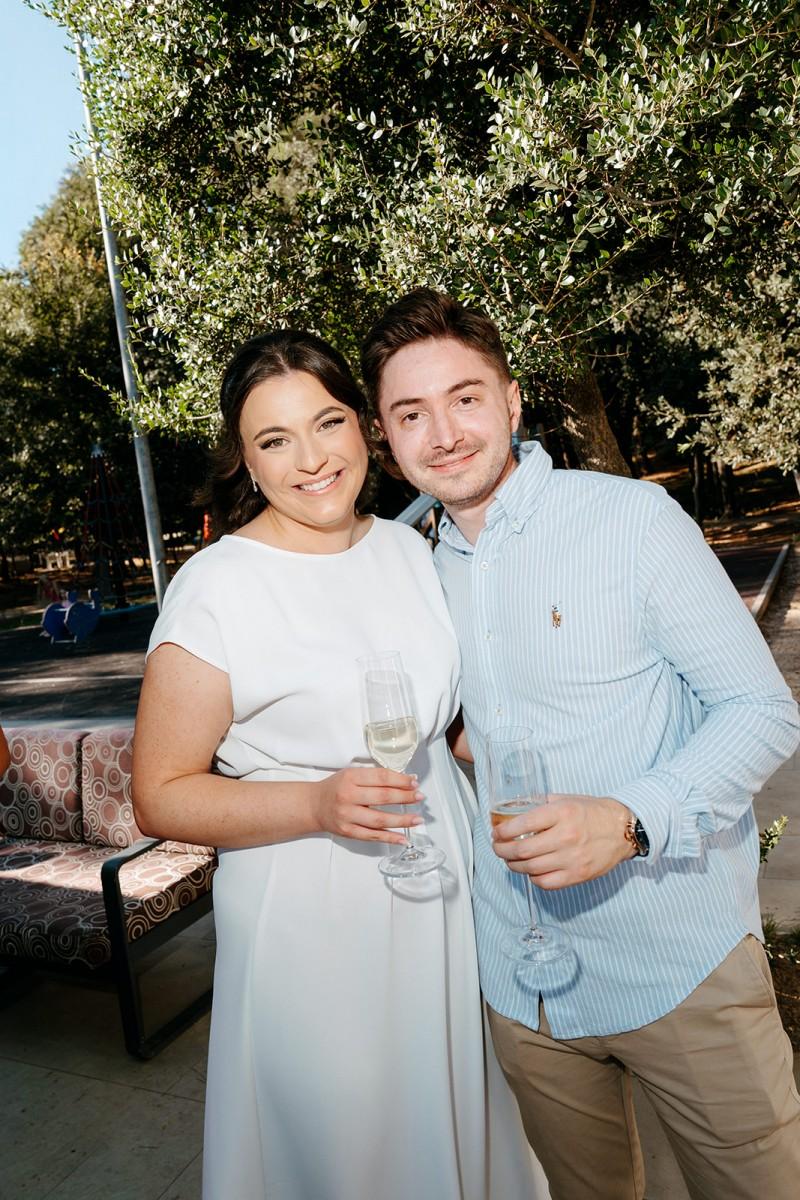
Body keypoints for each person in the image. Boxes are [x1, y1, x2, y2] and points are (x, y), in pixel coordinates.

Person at [362, 287, 800, 1200]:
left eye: (465, 398)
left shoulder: (633, 523)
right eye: (411, 413)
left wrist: (630, 820)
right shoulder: (408, 571)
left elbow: (762, 710)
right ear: (385, 435)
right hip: (523, 990)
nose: (443, 433)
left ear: (512, 401)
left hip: (678, 963)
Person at [132, 330, 543, 1200]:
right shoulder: (217, 587)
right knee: (349, 1144)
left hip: (442, 889)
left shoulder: (408, 548)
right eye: (275, 440)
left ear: (364, 427)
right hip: (310, 912)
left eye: (327, 424)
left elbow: (447, 724)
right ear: (246, 462)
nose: (312, 459)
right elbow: (159, 795)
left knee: (451, 1116)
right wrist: (316, 804)